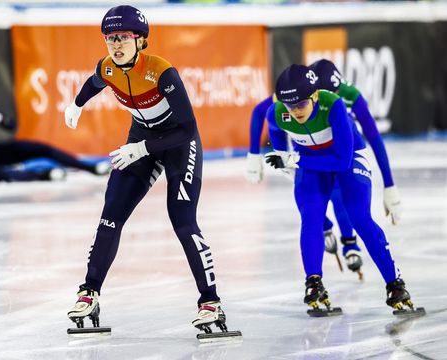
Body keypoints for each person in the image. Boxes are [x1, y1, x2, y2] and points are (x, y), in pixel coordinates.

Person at [64, 5, 240, 339]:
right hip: (140, 140)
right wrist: (76, 104)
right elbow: (93, 82)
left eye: (124, 38)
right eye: (110, 38)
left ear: (140, 40)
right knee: (110, 215)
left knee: (182, 219)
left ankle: (211, 302)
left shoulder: (161, 72)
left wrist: (143, 148)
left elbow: (187, 128)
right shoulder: (108, 68)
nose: (116, 45)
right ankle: (89, 293)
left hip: (176, 144)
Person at [264, 64, 422, 316]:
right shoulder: (276, 112)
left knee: (359, 216)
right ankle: (313, 284)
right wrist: (282, 153)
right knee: (311, 217)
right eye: (289, 106)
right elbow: (274, 132)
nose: (295, 111)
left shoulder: (334, 105)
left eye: (301, 104)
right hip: (311, 164)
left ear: (314, 96)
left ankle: (396, 286)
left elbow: (341, 161)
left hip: (346, 159)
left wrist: (294, 160)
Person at [309, 59, 401, 278]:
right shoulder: (304, 99)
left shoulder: (350, 94)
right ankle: (336, 232)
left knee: (344, 193)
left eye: (335, 94)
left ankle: (349, 242)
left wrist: (390, 185)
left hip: (345, 148)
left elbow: (374, 137)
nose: (331, 102)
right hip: (317, 149)